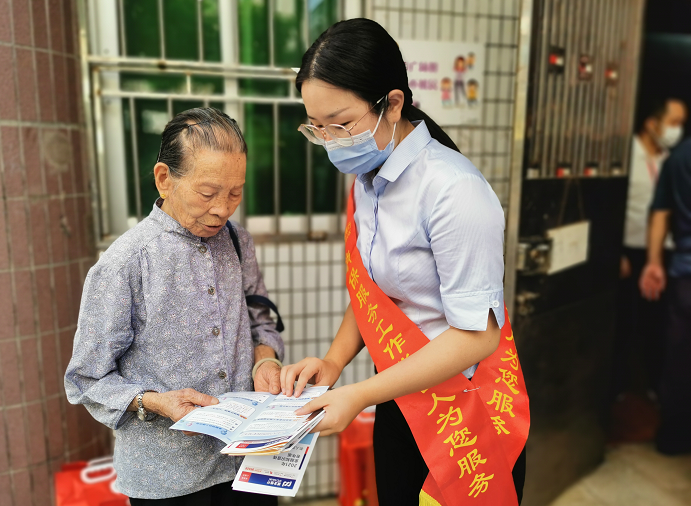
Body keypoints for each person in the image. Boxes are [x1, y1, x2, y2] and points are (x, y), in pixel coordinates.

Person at [280, 19, 528, 505]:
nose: (330, 141)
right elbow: (374, 296)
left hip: (464, 410)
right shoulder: (367, 180)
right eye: (317, 127)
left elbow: (477, 335)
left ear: (392, 104)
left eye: (341, 124)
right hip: (400, 397)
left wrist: (358, 394)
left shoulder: (454, 191)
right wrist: (333, 362)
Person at [65, 108, 284, 505]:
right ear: (164, 179)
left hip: (246, 460)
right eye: (208, 193)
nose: (223, 208)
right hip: (167, 479)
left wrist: (265, 361)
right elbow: (86, 379)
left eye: (235, 193)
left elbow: (259, 320)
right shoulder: (125, 263)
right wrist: (154, 402)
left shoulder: (237, 241)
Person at [611, 98, 686, 417]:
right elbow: (611, 206)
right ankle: (616, 388)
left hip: (663, 253)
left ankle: (655, 387)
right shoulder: (626, 155)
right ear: (651, 123)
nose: (677, 130)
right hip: (630, 251)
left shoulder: (672, 159)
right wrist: (614, 252)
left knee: (658, 324)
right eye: (673, 122)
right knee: (624, 322)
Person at [640, 136, 691, 455]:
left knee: (680, 358)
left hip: (685, 274)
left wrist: (654, 262)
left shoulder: (679, 157)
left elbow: (660, 213)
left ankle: (673, 436)